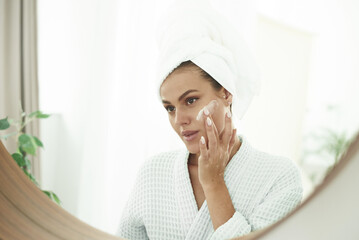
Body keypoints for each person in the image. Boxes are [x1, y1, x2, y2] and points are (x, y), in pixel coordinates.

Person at [117, 1, 302, 239]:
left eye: (191, 100)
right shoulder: (153, 174)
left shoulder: (279, 177)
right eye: (170, 108)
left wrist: (214, 183)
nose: (179, 120)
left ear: (226, 93)